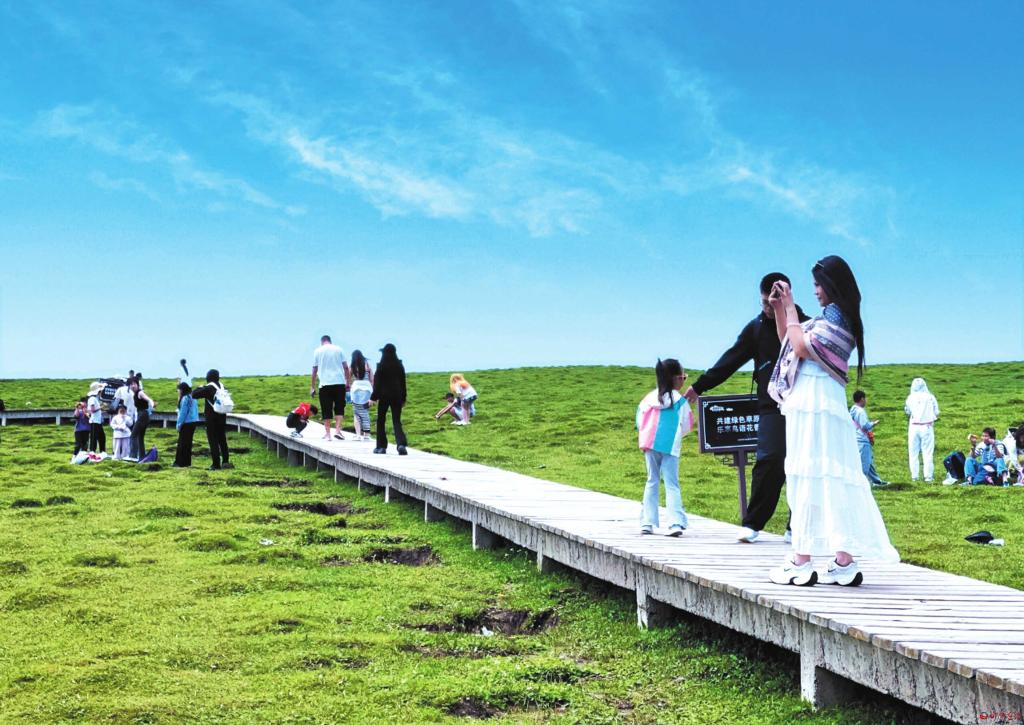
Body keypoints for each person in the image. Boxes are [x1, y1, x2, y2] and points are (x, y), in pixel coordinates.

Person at [766, 255, 899, 587]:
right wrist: (781, 309)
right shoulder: (831, 320)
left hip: (813, 403)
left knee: (807, 474)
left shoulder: (836, 322)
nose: (815, 291)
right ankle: (843, 561)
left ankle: (801, 561)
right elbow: (789, 342)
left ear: (831, 285)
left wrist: (791, 307)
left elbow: (799, 346)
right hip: (822, 403)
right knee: (831, 475)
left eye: (817, 285)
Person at [684, 272, 809, 544]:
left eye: (772, 301)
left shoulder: (805, 323)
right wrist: (699, 386)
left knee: (802, 465)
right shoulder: (756, 328)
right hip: (772, 406)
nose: (768, 307)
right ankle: (753, 523)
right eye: (763, 302)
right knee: (770, 459)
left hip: (802, 405)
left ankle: (796, 526)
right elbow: (730, 360)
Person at [636, 358, 694, 537]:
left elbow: (639, 421)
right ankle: (675, 523)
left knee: (651, 480)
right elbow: (687, 424)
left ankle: (647, 523)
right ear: (676, 379)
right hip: (670, 445)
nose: (683, 381)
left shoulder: (647, 399)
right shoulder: (680, 401)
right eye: (683, 377)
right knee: (671, 483)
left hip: (649, 443)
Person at [311, 335, 351, 441]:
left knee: (326, 409)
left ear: (322, 342)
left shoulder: (317, 351)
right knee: (339, 408)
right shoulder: (339, 349)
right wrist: (348, 382)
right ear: (330, 341)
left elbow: (314, 370)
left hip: (325, 384)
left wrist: (312, 387)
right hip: (339, 383)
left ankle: (328, 434)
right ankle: (337, 431)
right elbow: (346, 367)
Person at [371, 343, 408, 455]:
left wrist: (373, 397)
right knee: (396, 420)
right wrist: (403, 398)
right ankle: (401, 444)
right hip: (397, 396)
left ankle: (381, 446)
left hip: (384, 396)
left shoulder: (381, 366)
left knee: (381, 420)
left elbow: (377, 384)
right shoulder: (399, 365)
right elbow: (403, 383)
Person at [192, 369, 231, 471]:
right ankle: (225, 461)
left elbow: (194, 394)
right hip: (222, 416)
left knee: (213, 440)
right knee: (222, 439)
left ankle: (216, 464)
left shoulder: (209, 388)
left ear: (208, 377)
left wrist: (200, 387)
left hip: (211, 419)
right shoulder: (222, 387)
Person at [849, 390, 889, 487]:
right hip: (862, 439)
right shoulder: (860, 411)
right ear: (862, 399)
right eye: (865, 398)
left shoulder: (852, 410)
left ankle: (876, 481)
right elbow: (864, 426)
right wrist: (873, 423)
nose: (866, 400)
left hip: (856, 437)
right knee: (865, 463)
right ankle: (860, 483)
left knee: (869, 461)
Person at [904, 377, 939, 482]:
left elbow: (907, 411)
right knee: (927, 452)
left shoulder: (910, 397)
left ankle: (914, 476)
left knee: (913, 452)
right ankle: (928, 476)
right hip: (927, 426)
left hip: (914, 427)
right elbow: (936, 412)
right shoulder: (930, 397)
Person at [128, 378, 156, 462]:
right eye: (131, 384)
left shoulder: (140, 393)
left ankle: (133, 456)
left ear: (137, 384)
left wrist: (152, 404)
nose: (133, 386)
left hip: (143, 415)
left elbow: (148, 399)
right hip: (143, 415)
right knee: (140, 437)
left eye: (134, 384)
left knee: (133, 435)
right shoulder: (135, 394)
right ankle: (142, 456)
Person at [349, 350, 374, 441]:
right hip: (367, 389)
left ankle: (358, 435)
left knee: (356, 413)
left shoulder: (352, 366)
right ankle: (366, 435)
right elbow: (372, 379)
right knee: (365, 412)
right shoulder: (367, 364)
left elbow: (348, 378)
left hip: (356, 389)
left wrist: (350, 385)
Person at [174, 382, 199, 468]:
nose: (178, 392)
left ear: (182, 390)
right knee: (188, 443)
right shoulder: (192, 397)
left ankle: (180, 462)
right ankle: (187, 462)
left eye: (178, 390)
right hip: (193, 421)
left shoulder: (185, 398)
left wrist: (178, 425)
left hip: (186, 423)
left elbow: (183, 413)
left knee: (182, 443)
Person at [86, 382, 107, 453]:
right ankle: (92, 451)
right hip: (94, 421)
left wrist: (101, 410)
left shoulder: (95, 399)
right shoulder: (92, 399)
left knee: (102, 437)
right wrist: (101, 407)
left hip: (98, 421)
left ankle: (102, 451)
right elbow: (92, 410)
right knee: (94, 437)